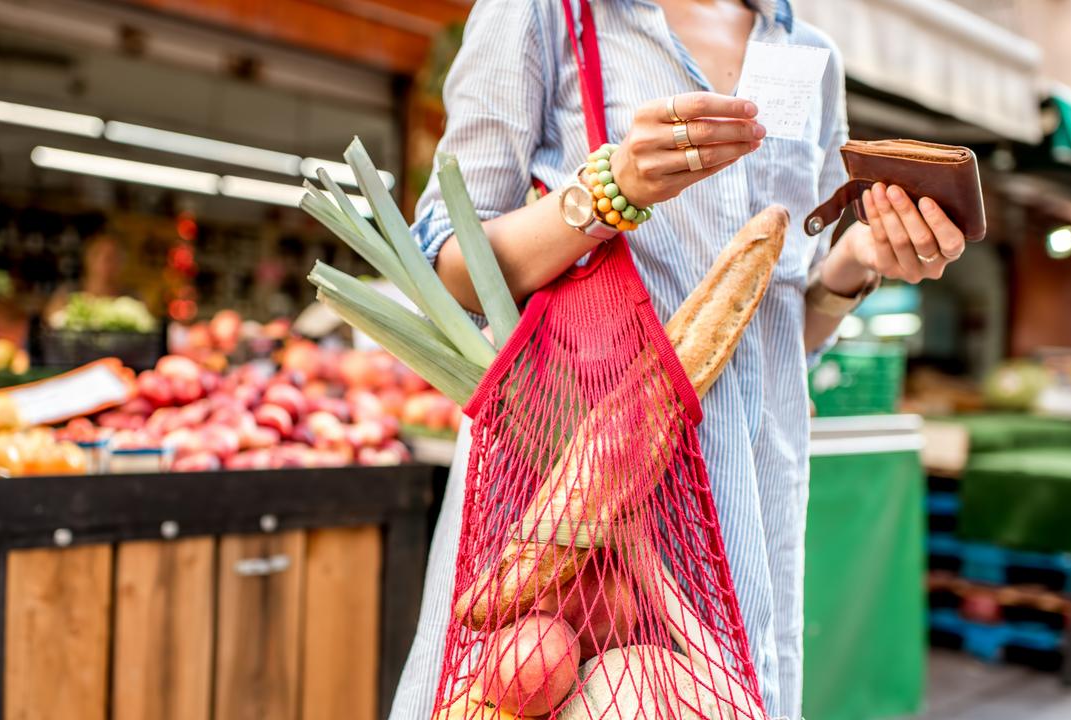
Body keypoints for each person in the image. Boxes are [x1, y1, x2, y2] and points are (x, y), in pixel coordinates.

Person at [390, 2, 968, 719]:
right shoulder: (543, 12)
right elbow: (450, 267)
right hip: (572, 504)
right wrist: (611, 189)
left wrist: (856, 264)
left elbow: (783, 335)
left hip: (746, 511)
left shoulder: (807, 52)